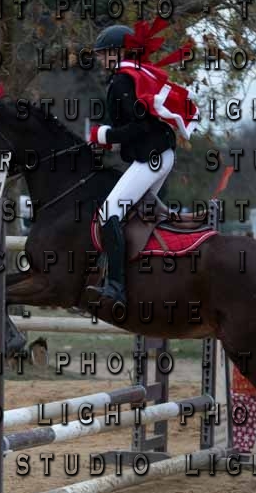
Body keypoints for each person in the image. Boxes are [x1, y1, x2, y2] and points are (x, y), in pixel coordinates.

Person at [85, 19, 199, 308]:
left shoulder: (123, 80)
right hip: (159, 155)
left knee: (108, 213)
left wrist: (104, 135)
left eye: (104, 53)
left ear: (119, 52)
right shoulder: (131, 75)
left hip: (152, 158)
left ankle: (116, 287)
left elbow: (139, 127)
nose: (100, 59)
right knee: (135, 213)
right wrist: (107, 139)